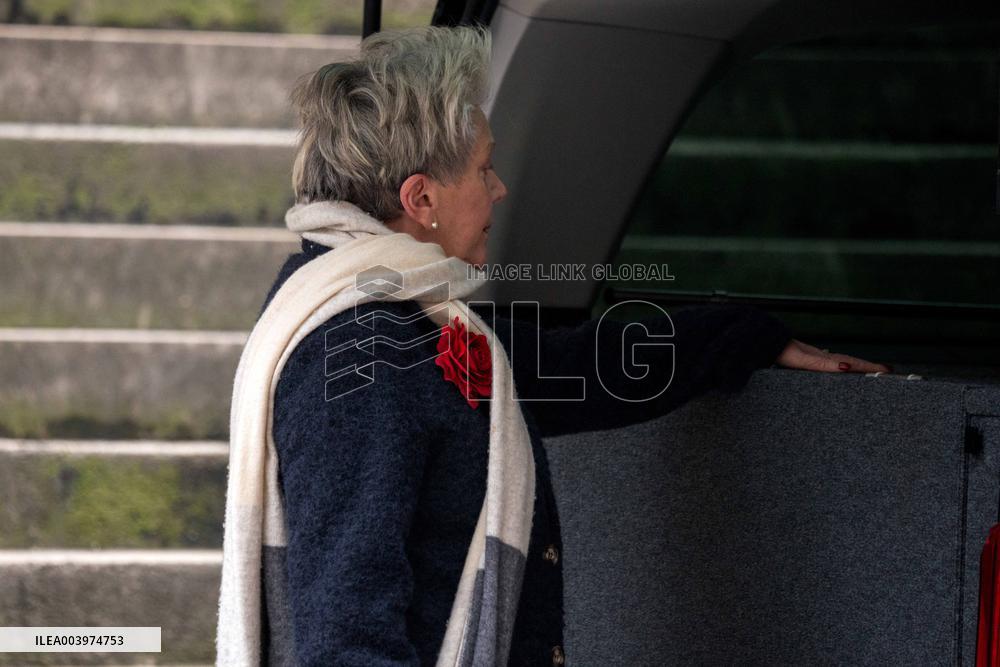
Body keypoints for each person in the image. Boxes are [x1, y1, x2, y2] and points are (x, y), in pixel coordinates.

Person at [218, 24, 891, 667]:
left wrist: (748, 336)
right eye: (484, 169)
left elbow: (578, 367)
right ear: (420, 197)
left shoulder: (401, 320)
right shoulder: (363, 354)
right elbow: (347, 634)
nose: (499, 187)